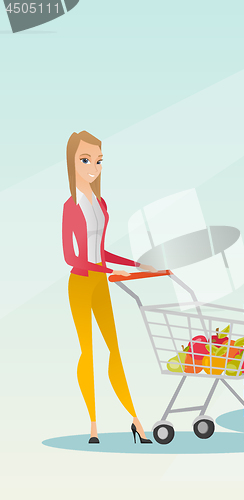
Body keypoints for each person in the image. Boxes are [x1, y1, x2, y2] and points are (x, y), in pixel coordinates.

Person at [62, 131, 155, 444]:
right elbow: (70, 256)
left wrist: (135, 264)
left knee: (115, 350)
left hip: (100, 281)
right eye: (85, 160)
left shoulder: (100, 203)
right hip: (81, 283)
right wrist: (99, 267)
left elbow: (100, 250)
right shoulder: (70, 205)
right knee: (87, 352)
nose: (93, 167)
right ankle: (93, 424)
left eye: (98, 161)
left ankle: (135, 419)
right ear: (72, 161)